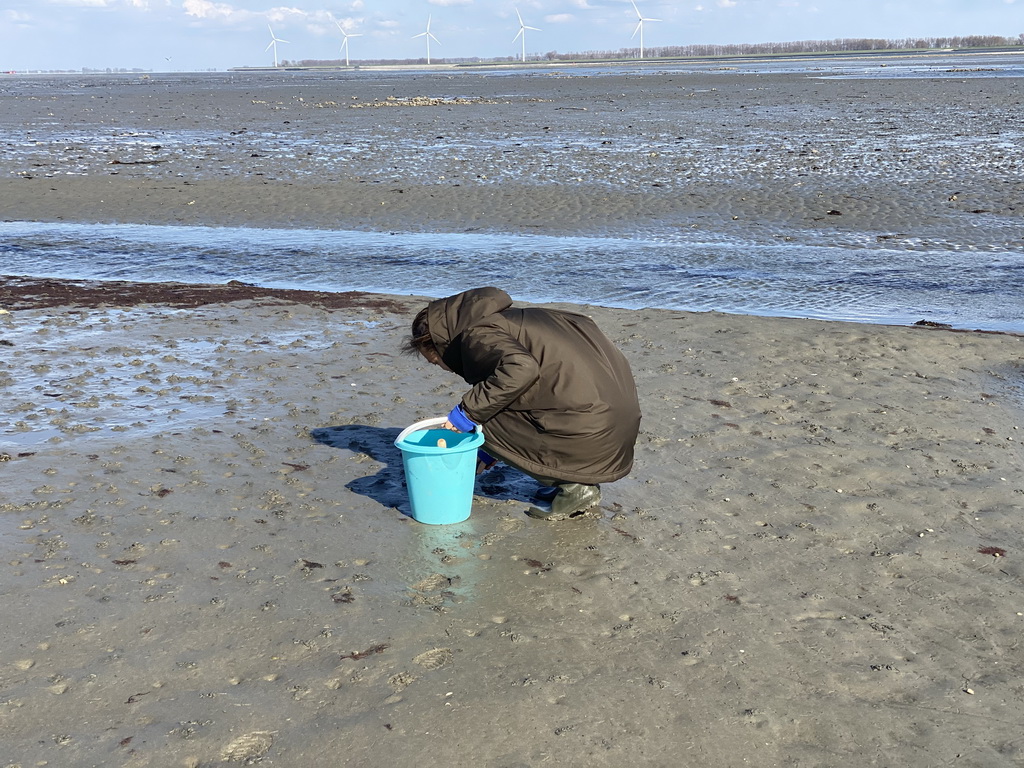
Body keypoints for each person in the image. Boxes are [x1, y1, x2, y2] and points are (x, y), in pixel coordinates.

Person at [403, 287, 641, 521]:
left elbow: (521, 369)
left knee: (480, 418)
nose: (443, 367)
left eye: (435, 361)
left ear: (437, 342)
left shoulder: (477, 333)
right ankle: (564, 478)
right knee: (493, 400)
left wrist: (467, 415)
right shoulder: (520, 320)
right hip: (619, 421)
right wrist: (490, 451)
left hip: (592, 428)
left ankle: (575, 487)